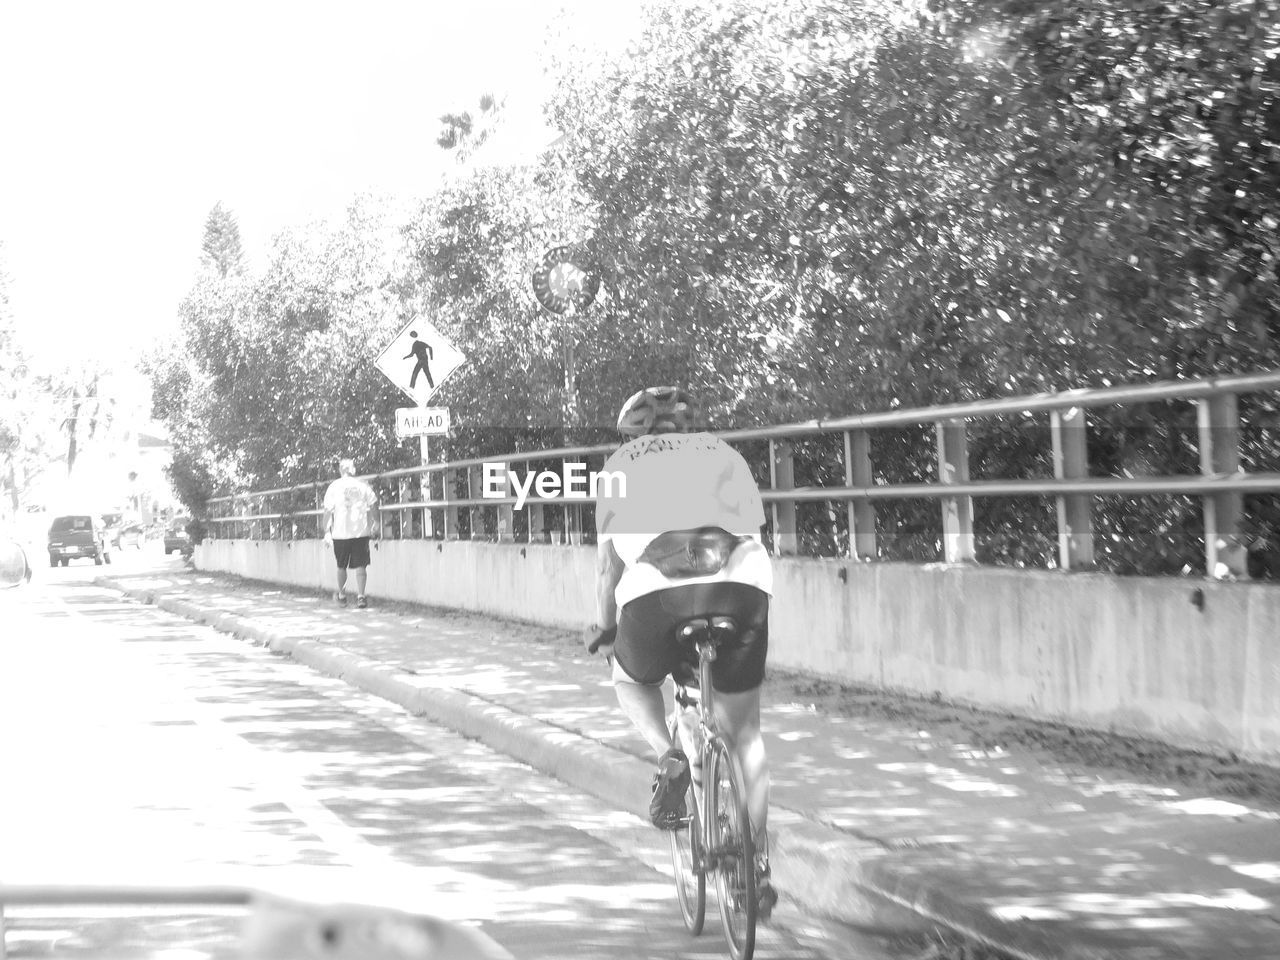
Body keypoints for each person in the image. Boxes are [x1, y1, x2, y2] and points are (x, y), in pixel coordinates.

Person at [586, 386, 777, 917]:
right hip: (739, 589)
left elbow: (608, 570)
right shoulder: (727, 456)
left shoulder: (617, 472)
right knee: (747, 735)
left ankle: (667, 750)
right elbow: (755, 535)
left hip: (656, 594)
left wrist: (604, 627)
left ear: (631, 436)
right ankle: (750, 869)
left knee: (631, 680)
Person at [322, 458, 380, 608]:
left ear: (341, 471)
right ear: (352, 470)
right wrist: (376, 522)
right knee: (361, 565)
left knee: (341, 566)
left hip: (340, 533)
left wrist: (326, 532)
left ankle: (342, 595)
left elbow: (328, 511)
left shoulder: (334, 487)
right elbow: (373, 504)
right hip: (360, 531)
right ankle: (361, 596)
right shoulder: (362, 485)